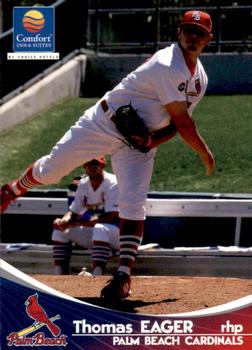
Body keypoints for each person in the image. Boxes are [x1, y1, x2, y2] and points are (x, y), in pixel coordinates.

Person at [0, 10, 215, 300]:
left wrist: (152, 141)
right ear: (178, 32)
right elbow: (186, 124)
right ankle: (12, 190)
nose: (193, 36)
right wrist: (204, 152)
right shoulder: (168, 63)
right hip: (103, 123)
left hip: (135, 144)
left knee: (134, 205)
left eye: (199, 33)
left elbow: (177, 123)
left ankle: (123, 277)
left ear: (208, 39)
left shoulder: (199, 79)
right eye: (189, 30)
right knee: (50, 171)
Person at [52, 158, 120, 276]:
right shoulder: (84, 184)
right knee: (60, 230)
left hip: (121, 233)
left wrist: (78, 223)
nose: (92, 167)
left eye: (96, 164)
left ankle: (97, 275)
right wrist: (63, 221)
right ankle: (59, 276)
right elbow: (74, 212)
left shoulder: (113, 183)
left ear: (102, 165)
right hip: (98, 235)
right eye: (89, 164)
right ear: (84, 166)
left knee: (100, 228)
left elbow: (111, 216)